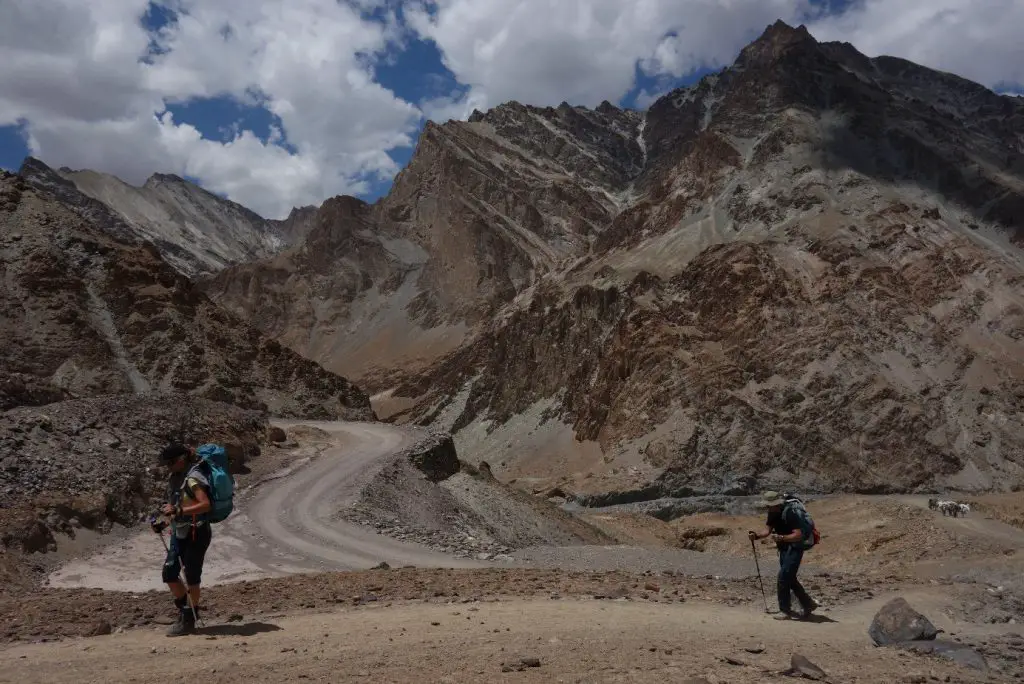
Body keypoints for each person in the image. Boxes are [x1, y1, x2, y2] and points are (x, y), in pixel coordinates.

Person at [153, 442, 213, 636]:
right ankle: (186, 612)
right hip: (179, 531)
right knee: (169, 573)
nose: (168, 468)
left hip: (197, 532)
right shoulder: (175, 478)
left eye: (170, 463)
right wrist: (163, 522)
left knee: (192, 577)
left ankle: (188, 619)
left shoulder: (194, 478)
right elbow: (174, 507)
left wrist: (179, 511)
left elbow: (205, 505)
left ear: (180, 460)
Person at [748, 490, 818, 620]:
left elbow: (798, 535)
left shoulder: (791, 513)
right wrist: (756, 535)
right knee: (789, 578)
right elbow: (767, 530)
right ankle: (808, 604)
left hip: (795, 548)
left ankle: (785, 610)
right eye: (767, 506)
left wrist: (782, 537)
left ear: (777, 504)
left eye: (770, 505)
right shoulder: (773, 513)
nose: (768, 508)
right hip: (784, 548)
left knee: (783, 577)